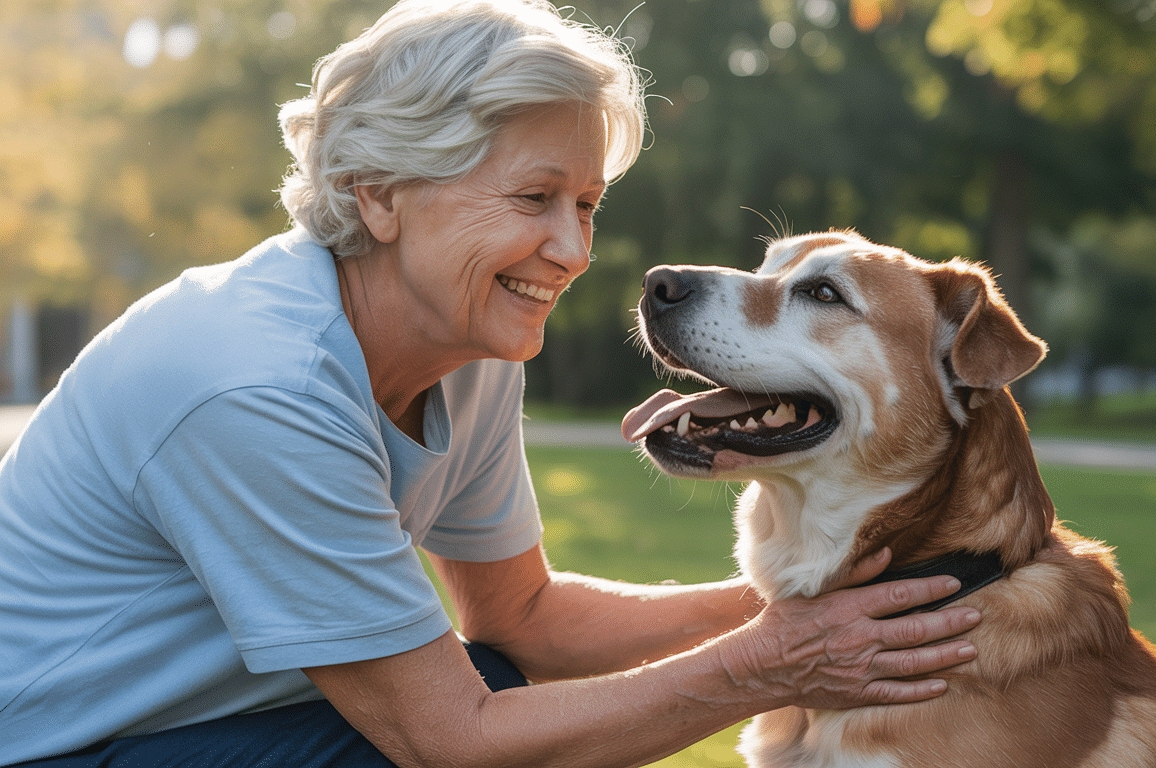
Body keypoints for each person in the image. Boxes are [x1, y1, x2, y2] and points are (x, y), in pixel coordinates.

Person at [0, 1, 982, 766]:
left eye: (585, 204)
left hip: (202, 735)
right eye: (531, 199)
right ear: (376, 194)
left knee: (507, 680)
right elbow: (449, 741)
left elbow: (522, 620)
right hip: (51, 751)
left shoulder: (462, 341)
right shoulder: (257, 388)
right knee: (505, 725)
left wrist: (797, 606)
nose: (570, 250)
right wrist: (774, 659)